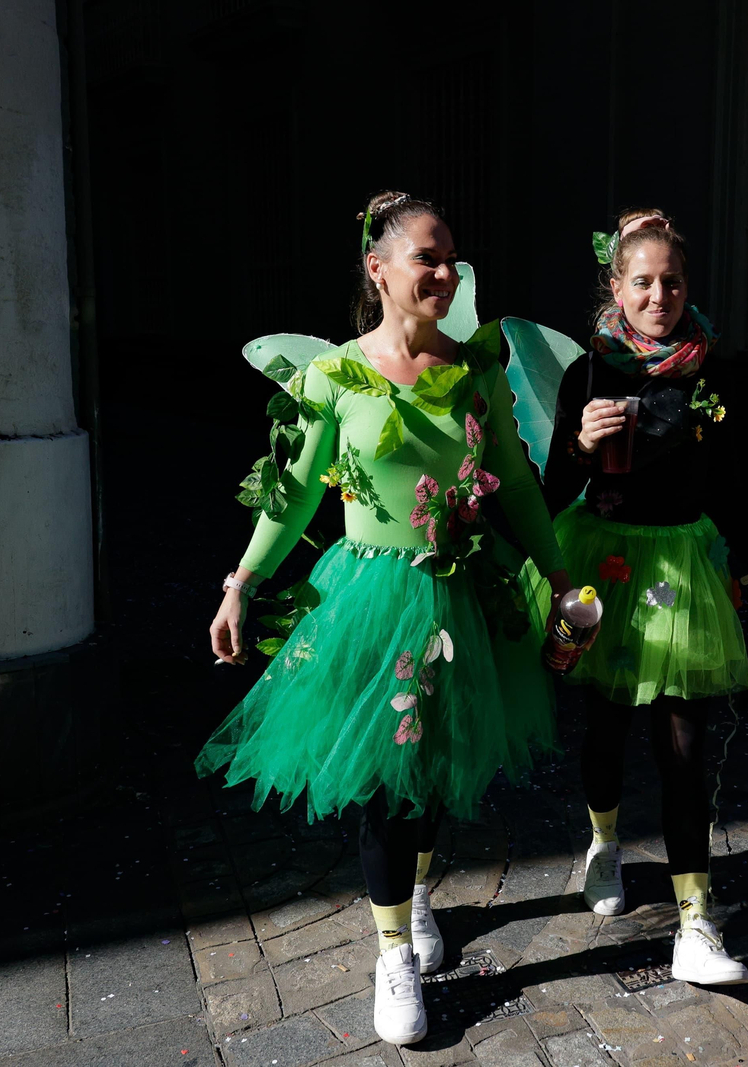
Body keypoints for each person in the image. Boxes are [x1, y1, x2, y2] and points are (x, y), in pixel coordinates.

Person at [196, 192, 574, 1045]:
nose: (446, 273)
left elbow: (513, 481)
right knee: (383, 786)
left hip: (460, 595)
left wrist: (559, 573)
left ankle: (420, 889)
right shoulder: (331, 377)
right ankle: (392, 949)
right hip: (368, 600)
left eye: (452, 259)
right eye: (427, 259)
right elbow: (291, 494)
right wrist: (241, 583)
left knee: (435, 774)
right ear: (379, 269)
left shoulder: (475, 370)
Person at [533, 209, 748, 985]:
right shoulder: (589, 372)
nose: (658, 295)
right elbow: (551, 490)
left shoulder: (709, 372)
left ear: (687, 288)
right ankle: (604, 845)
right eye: (641, 281)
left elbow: (734, 484)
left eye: (671, 281)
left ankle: (694, 922)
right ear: (616, 286)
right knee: (605, 729)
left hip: (682, 572)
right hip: (603, 568)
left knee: (683, 750)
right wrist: (580, 444)